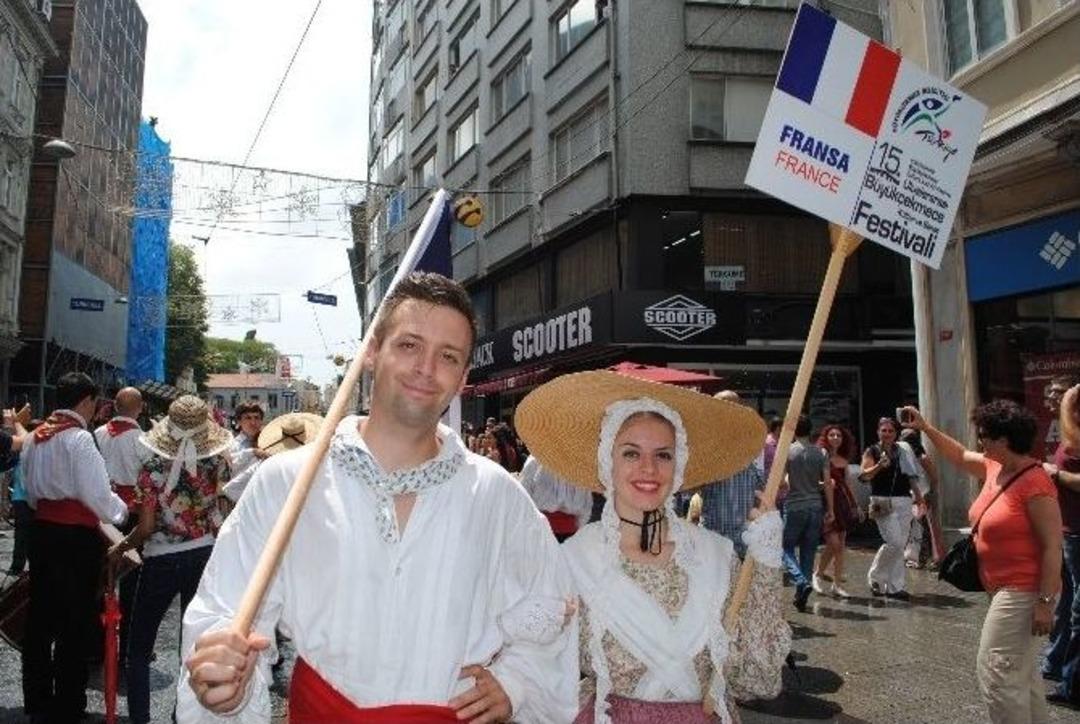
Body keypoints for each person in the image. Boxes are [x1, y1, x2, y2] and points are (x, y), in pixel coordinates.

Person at [178, 272, 577, 722]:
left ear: (464, 376)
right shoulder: (285, 481)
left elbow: (550, 605)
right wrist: (224, 680)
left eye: (447, 356)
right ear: (371, 352)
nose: (426, 368)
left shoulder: (499, 495)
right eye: (408, 345)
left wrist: (518, 682)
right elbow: (226, 613)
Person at [515, 370, 789, 723]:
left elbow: (758, 680)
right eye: (631, 453)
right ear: (607, 463)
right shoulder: (573, 560)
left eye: (663, 455)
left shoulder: (715, 556)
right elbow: (536, 668)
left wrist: (765, 564)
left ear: (678, 466)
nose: (649, 468)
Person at [903, 401, 1061, 724]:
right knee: (1021, 674)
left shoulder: (1035, 483)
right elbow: (959, 455)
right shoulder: (995, 467)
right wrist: (926, 428)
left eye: (985, 435)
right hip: (1003, 587)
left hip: (1024, 590)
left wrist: (1044, 602)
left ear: (1004, 440)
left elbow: (1052, 547)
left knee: (997, 670)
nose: (980, 442)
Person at [108, 395, 233, 724]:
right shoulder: (216, 462)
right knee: (192, 643)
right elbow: (223, 510)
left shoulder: (151, 467)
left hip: (162, 558)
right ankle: (184, 716)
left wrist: (121, 546)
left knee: (138, 647)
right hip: (204, 553)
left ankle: (140, 718)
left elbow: (147, 527)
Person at [19, 372, 129, 724]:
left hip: (42, 530)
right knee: (74, 618)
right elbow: (96, 495)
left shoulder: (36, 437)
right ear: (86, 401)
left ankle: (37, 697)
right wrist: (122, 511)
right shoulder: (79, 440)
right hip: (74, 538)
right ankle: (68, 701)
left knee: (40, 617)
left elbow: (30, 491)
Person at [94, 387, 149, 670]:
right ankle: (126, 648)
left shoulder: (98, 434)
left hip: (103, 510)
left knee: (100, 579)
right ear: (140, 407)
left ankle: (96, 644)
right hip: (132, 512)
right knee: (130, 583)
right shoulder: (142, 439)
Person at [694, 391, 766, 559]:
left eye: (732, 405)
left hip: (744, 537)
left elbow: (761, 486)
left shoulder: (752, 442)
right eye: (721, 405)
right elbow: (690, 486)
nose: (727, 410)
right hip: (714, 537)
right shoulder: (705, 443)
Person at [859, 416, 925, 600]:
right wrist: (879, 466)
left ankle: (896, 586)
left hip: (904, 500)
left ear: (896, 433)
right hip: (881, 501)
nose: (887, 434)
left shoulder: (902, 450)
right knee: (894, 542)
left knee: (900, 544)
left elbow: (910, 476)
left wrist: (919, 498)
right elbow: (864, 476)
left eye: (890, 431)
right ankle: (875, 576)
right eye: (884, 430)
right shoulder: (872, 451)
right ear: (878, 432)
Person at [1044, 382, 1080, 709]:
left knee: (1077, 609)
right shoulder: (1065, 433)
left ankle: (1070, 682)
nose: (1052, 398)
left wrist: (1053, 474)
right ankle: (1055, 665)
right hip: (1068, 531)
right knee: (1067, 601)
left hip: (1078, 534)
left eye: (1060, 393)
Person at [782, 415, 829, 612]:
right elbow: (827, 483)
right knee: (809, 551)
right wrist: (831, 510)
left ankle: (800, 580)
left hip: (794, 506)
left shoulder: (787, 451)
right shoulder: (821, 452)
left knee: (784, 549)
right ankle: (802, 592)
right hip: (815, 506)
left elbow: (781, 481)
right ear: (810, 431)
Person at [813, 424, 860, 598]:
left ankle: (837, 584)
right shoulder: (820, 457)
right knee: (833, 544)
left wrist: (855, 505)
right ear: (825, 437)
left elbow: (848, 484)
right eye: (832, 435)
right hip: (825, 502)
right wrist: (822, 485)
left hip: (842, 503)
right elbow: (813, 480)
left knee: (840, 546)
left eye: (838, 435)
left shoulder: (843, 460)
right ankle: (818, 573)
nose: (835, 438)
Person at [519, 454, 593, 542]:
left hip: (540, 528)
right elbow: (586, 506)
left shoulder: (536, 458)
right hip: (569, 531)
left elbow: (523, 494)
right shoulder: (580, 465)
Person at [899, 427, 944, 569]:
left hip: (923, 494)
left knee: (924, 528)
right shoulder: (902, 456)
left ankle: (929, 558)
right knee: (912, 528)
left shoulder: (922, 457)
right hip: (907, 495)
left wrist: (930, 493)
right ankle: (912, 557)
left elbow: (934, 477)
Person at [222, 400, 269, 503]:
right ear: (239, 422)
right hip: (240, 500)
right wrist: (252, 452)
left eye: (257, 418)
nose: (253, 422)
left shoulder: (269, 442)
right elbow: (230, 465)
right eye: (248, 418)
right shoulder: (231, 445)